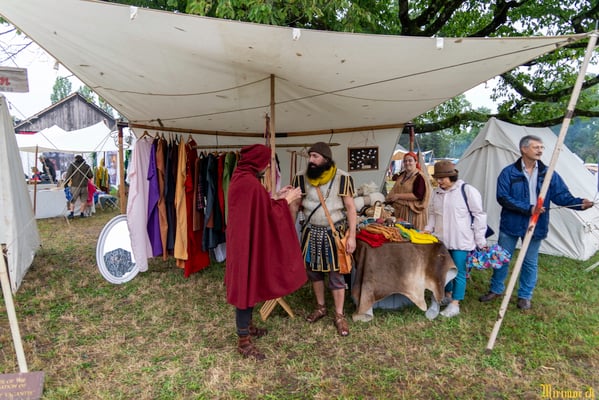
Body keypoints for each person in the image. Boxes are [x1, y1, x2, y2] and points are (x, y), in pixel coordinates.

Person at [479, 135, 594, 310]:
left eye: (541, 147)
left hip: (536, 224)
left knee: (529, 261)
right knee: (502, 258)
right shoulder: (509, 172)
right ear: (524, 149)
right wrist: (529, 208)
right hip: (512, 222)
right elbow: (502, 197)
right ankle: (496, 289)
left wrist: (579, 203)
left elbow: (561, 196)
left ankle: (525, 296)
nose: (540, 150)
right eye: (536, 147)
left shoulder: (547, 173)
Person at [225, 144, 306, 360]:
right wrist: (287, 200)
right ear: (257, 161)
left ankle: (248, 327)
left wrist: (277, 196)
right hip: (245, 243)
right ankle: (243, 342)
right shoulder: (249, 183)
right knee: (245, 285)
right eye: (266, 162)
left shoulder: (242, 178)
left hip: (244, 241)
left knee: (249, 282)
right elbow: (267, 213)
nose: (267, 166)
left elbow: (258, 207)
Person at [290, 142, 357, 336]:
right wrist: (289, 232)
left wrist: (352, 236)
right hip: (310, 232)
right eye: (310, 156)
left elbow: (351, 208)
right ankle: (321, 307)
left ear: (326, 159)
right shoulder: (300, 178)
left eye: (315, 156)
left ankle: (339, 315)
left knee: (337, 273)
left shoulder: (342, 178)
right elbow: (294, 206)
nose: (310, 160)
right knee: (313, 272)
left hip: (334, 233)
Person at [423, 160, 487, 318]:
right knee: (444, 270)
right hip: (442, 240)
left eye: (442, 178)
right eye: (437, 178)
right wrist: (428, 229)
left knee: (459, 271)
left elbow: (479, 216)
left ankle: (455, 304)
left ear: (452, 177)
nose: (439, 182)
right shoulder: (436, 193)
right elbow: (433, 214)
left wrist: (480, 240)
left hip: (461, 240)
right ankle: (447, 295)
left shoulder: (467, 190)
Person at [385, 151, 430, 230]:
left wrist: (398, 196)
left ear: (416, 162)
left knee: (411, 233)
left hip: (412, 212)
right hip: (400, 210)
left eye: (410, 160)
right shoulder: (402, 175)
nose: (407, 163)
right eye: (405, 161)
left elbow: (418, 195)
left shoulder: (419, 177)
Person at [64, 155, 94, 219]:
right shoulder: (86, 166)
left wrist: (65, 184)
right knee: (83, 200)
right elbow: (90, 175)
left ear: (76, 159)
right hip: (84, 186)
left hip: (75, 186)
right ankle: (82, 214)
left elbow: (68, 175)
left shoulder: (72, 165)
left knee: (72, 200)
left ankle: (72, 214)